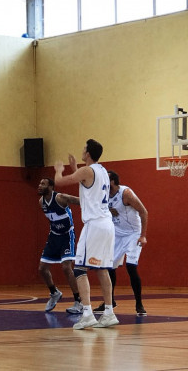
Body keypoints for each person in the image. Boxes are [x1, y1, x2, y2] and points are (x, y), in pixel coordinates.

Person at [54, 139, 118, 330]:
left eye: (84, 149)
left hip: (94, 224)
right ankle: (108, 313)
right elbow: (87, 189)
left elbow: (60, 182)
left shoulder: (86, 171)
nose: (82, 151)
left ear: (88, 153)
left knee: (80, 269)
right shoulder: (103, 172)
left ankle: (88, 313)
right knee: (102, 269)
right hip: (107, 224)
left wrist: (59, 169)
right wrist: (75, 167)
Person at [93, 170, 148, 316]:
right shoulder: (103, 193)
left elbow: (144, 212)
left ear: (112, 181)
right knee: (108, 267)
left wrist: (143, 236)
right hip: (116, 233)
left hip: (133, 234)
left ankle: (139, 304)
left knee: (131, 267)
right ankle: (110, 301)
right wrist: (110, 210)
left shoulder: (126, 193)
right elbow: (99, 207)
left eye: (105, 178)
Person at [37, 178, 83, 314]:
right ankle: (54, 292)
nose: (39, 186)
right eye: (39, 183)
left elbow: (79, 201)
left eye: (43, 184)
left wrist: (98, 206)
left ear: (51, 187)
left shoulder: (61, 198)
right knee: (42, 269)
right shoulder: (41, 202)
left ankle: (78, 302)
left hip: (67, 235)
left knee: (66, 267)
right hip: (54, 235)